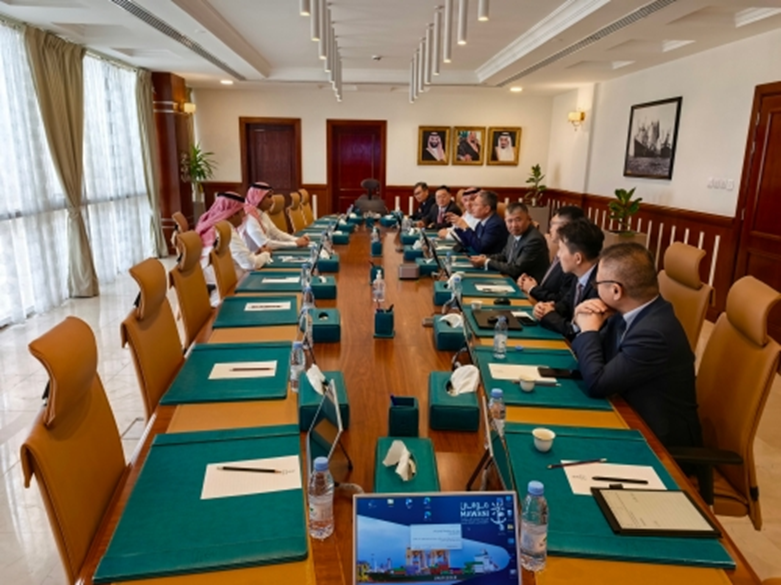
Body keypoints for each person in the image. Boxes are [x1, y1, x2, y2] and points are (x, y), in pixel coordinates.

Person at [571, 243, 702, 449]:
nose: (595, 290)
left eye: (598, 284)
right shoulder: (630, 309)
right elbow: (595, 355)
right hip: (627, 408)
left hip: (657, 440)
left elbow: (598, 383)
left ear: (616, 290)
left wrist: (588, 330)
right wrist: (583, 321)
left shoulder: (653, 333)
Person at [533, 218, 603, 339]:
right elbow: (567, 304)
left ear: (578, 258)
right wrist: (547, 308)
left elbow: (575, 331)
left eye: (561, 249)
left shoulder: (600, 287)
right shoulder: (579, 275)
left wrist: (548, 316)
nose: (558, 255)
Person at [195, 192, 271, 276]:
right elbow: (249, 264)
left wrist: (255, 255)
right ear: (233, 214)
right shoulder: (224, 230)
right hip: (228, 280)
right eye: (242, 210)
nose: (244, 214)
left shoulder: (212, 227)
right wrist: (266, 254)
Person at [518, 205, 585, 301]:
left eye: (553, 224)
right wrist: (530, 283)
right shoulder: (559, 252)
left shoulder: (572, 260)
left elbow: (560, 300)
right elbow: (550, 286)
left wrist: (533, 289)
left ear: (566, 226)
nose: (550, 229)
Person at [468, 202, 549, 281]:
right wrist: (485, 257)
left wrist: (486, 262)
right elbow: (504, 256)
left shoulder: (534, 240)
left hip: (524, 284)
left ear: (528, 219)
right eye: (510, 221)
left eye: (518, 220)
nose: (514, 225)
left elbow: (515, 269)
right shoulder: (513, 234)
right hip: (511, 278)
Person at [242, 182, 309, 251]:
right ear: (258, 198)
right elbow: (265, 244)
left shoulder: (262, 213)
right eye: (269, 197)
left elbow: (276, 233)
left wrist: (297, 239)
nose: (272, 201)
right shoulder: (250, 218)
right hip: (255, 257)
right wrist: (295, 244)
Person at [449, 190, 508, 255]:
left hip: (490, 259)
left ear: (487, 209)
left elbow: (480, 248)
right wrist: (458, 225)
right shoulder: (481, 222)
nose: (472, 207)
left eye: (476, 205)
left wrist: (466, 227)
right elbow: (469, 243)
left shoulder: (495, 224)